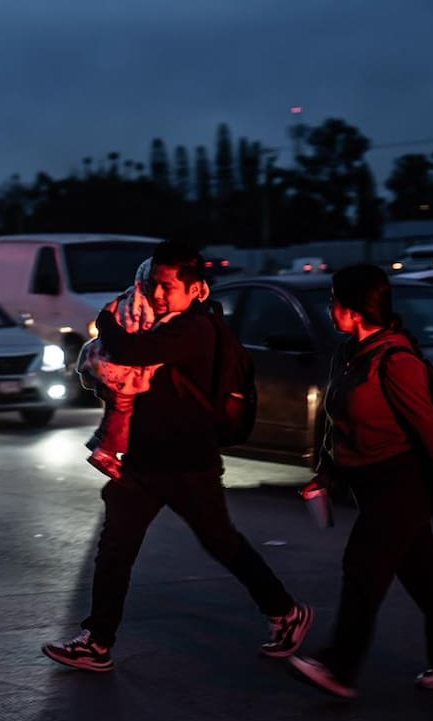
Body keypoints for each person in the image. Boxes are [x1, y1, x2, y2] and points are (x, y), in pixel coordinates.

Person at [41, 239, 313, 672]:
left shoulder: (194, 329)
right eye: (154, 284)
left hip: (188, 463)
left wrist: (106, 322)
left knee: (222, 542)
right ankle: (97, 641)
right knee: (115, 549)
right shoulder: (156, 322)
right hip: (144, 461)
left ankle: (285, 611)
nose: (159, 294)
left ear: (193, 288)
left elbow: (130, 352)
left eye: (168, 287)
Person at [288, 263, 433, 700]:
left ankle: (339, 667)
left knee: (363, 567)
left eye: (334, 301)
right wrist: (325, 473)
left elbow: (430, 428)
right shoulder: (348, 354)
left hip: (402, 482)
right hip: (369, 484)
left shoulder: (396, 361)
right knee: (425, 576)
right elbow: (337, 423)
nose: (330, 308)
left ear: (354, 309)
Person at [77, 257, 172, 480]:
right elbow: (134, 344)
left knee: (117, 410)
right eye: (154, 285)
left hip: (105, 364)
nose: (159, 293)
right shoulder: (137, 305)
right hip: (116, 368)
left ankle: (102, 442)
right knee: (122, 408)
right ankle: (105, 451)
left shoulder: (124, 301)